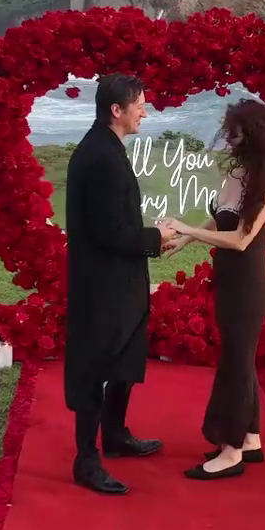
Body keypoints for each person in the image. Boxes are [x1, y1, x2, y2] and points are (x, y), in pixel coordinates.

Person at [64, 73, 178, 495]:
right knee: (96, 367)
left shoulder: (107, 147)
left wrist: (151, 239)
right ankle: (86, 460)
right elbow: (108, 231)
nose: (145, 112)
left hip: (120, 279)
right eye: (140, 106)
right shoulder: (100, 157)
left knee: (126, 358)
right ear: (117, 109)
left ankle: (114, 434)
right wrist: (155, 237)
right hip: (102, 285)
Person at [163, 99, 265, 480]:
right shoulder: (237, 174)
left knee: (235, 365)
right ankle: (250, 439)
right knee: (240, 361)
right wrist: (186, 239)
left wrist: (186, 228)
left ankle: (231, 452)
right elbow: (220, 219)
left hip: (248, 287)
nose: (229, 136)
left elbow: (241, 240)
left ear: (253, 135)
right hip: (229, 283)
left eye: (236, 130)